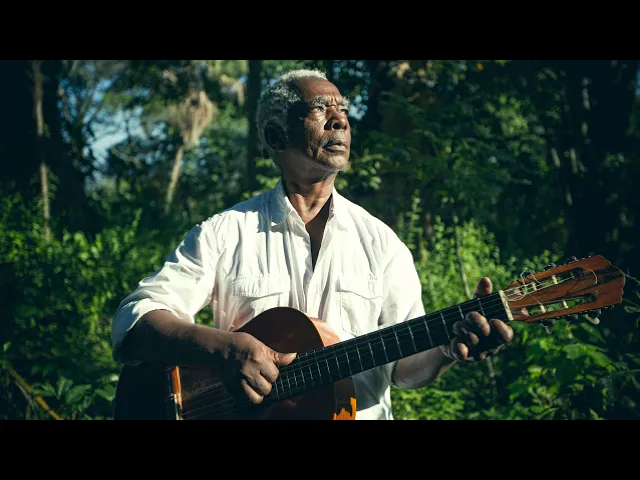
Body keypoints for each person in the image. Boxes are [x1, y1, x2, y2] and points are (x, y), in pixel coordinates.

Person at [111, 68, 514, 420]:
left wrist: (447, 347)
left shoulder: (383, 244)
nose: (340, 121)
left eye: (344, 111)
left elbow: (404, 369)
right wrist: (226, 349)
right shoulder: (225, 233)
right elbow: (135, 321)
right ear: (276, 135)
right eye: (320, 109)